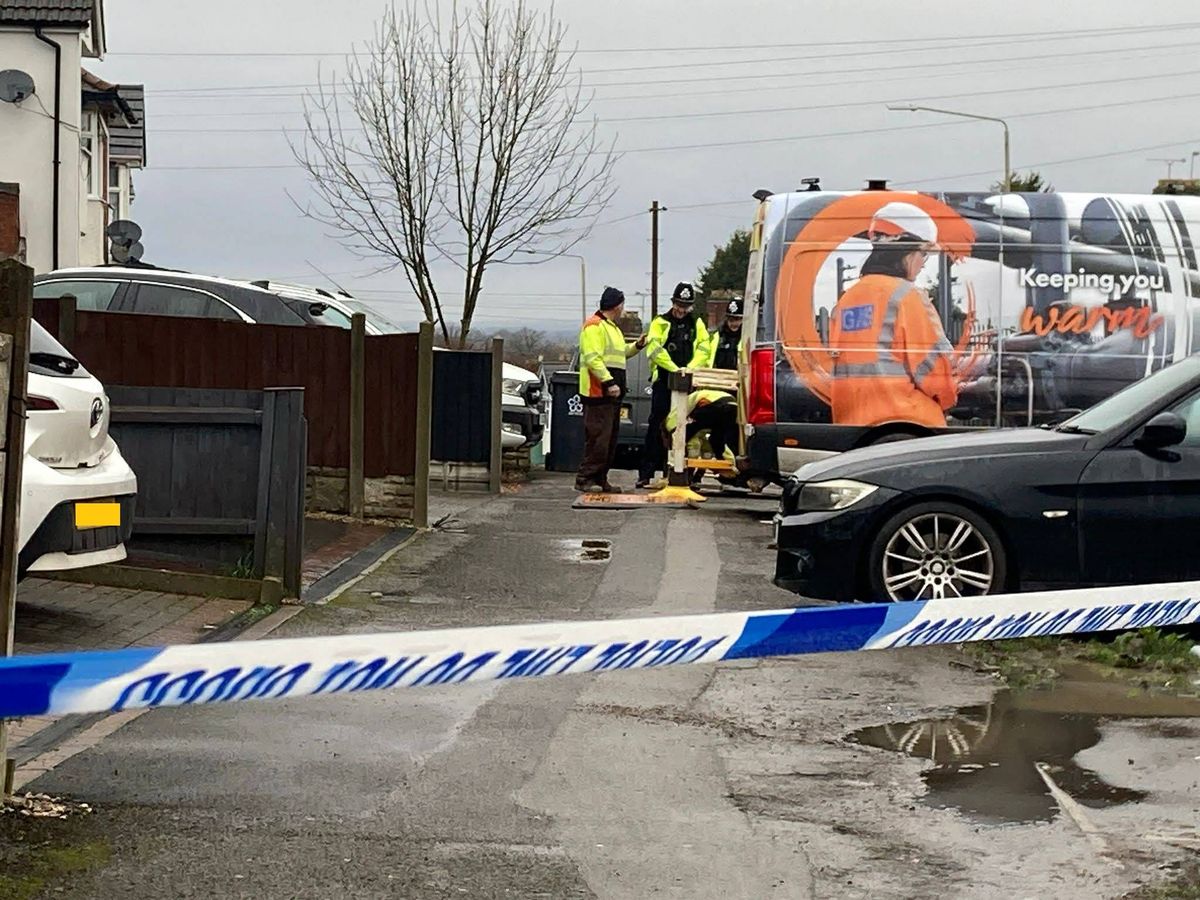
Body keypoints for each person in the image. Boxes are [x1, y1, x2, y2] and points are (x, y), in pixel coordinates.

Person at [829, 202, 958, 427]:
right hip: (909, 423)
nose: (922, 264)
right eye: (923, 254)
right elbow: (934, 370)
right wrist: (950, 398)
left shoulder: (847, 300)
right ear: (905, 251)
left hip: (851, 423)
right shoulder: (908, 296)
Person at [636, 282, 711, 489]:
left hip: (687, 383)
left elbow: (704, 349)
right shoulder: (660, 321)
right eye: (678, 304)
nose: (681, 309)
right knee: (656, 427)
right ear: (673, 302)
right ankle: (646, 473)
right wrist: (674, 368)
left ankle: (679, 472)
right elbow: (654, 348)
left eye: (685, 306)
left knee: (685, 428)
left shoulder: (696, 323)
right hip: (664, 381)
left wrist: (689, 369)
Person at [576, 286, 646, 493]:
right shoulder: (594, 326)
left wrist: (637, 346)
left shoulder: (611, 327)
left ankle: (599, 478)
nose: (624, 309)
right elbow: (592, 358)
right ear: (617, 306)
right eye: (622, 304)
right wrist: (609, 382)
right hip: (597, 392)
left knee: (608, 439)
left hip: (611, 393)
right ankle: (585, 478)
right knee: (598, 437)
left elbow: (619, 353)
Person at [662, 389, 738, 485]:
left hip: (716, 405)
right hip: (733, 406)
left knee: (689, 432)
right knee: (717, 440)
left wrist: (675, 439)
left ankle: (687, 473)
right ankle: (726, 467)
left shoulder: (686, 402)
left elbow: (674, 424)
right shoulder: (703, 397)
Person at [710, 296, 744, 370]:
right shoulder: (717, 337)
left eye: (737, 319)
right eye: (731, 320)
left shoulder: (746, 338)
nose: (734, 323)